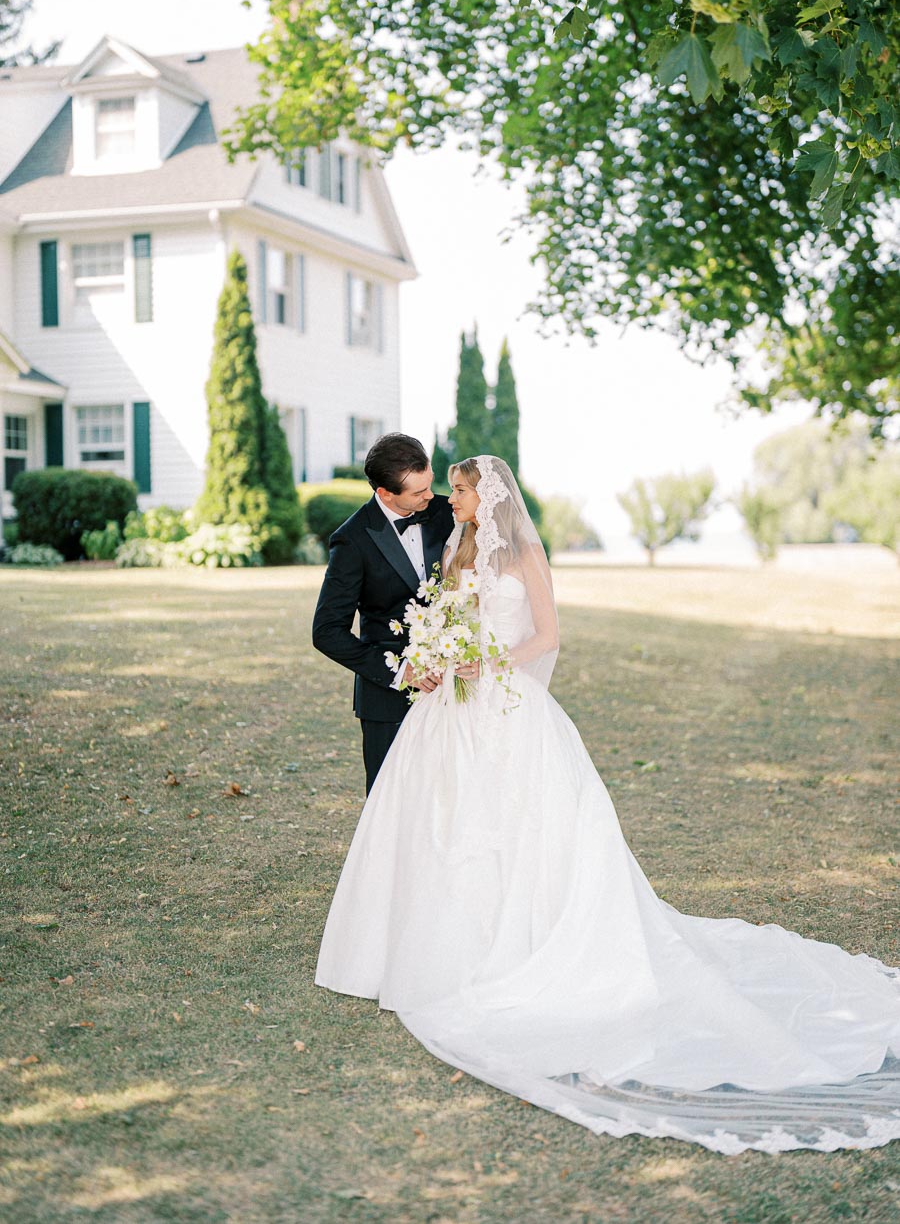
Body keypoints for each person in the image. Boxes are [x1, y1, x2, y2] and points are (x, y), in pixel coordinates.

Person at [315, 454, 900, 1154]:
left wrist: (487, 664)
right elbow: (432, 615)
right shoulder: (453, 543)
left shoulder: (523, 551)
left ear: (485, 493)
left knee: (520, 831)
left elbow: (547, 637)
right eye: (445, 490)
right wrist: (437, 653)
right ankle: (430, 947)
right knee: (441, 828)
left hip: (505, 706)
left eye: (460, 488)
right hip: (447, 713)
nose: (448, 497)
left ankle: (517, 950)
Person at [312, 433, 455, 795]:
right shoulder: (352, 540)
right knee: (391, 805)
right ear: (385, 494)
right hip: (387, 703)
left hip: (454, 690)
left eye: (429, 484)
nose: (430, 497)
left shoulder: (447, 513)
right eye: (418, 492)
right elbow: (327, 631)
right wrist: (401, 670)